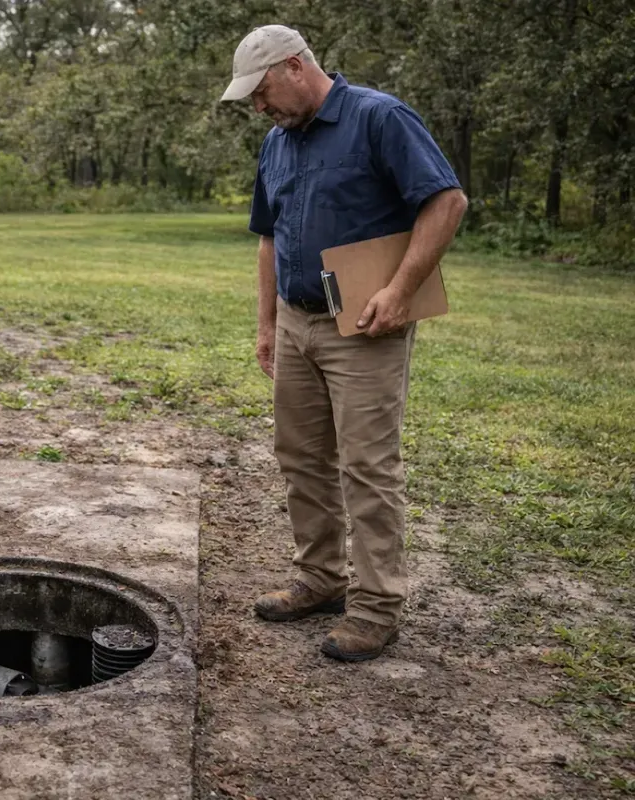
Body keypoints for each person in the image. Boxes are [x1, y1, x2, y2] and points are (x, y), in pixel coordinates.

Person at [219, 25, 468, 661]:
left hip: (364, 326)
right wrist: (268, 323)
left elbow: (446, 201)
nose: (259, 107)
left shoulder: (379, 119)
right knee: (300, 457)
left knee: (367, 467)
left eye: (262, 91)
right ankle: (320, 580)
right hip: (297, 322)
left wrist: (402, 289)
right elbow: (268, 238)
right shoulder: (277, 142)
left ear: (296, 67)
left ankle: (377, 608)